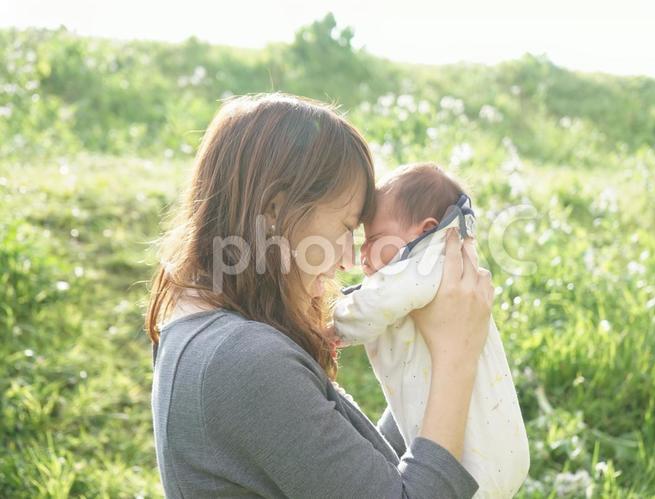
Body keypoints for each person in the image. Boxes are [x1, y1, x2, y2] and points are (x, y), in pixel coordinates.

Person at [146, 93, 495, 498]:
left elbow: (364, 473)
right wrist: (456, 356)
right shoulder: (244, 361)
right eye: (347, 227)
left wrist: (425, 349)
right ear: (274, 211)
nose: (349, 257)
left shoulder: (204, 331)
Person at [333, 162, 530, 498]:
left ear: (422, 230)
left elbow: (377, 303)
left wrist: (333, 324)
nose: (363, 254)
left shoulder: (430, 260)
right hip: (499, 455)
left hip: (467, 463)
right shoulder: (452, 265)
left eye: (375, 239)